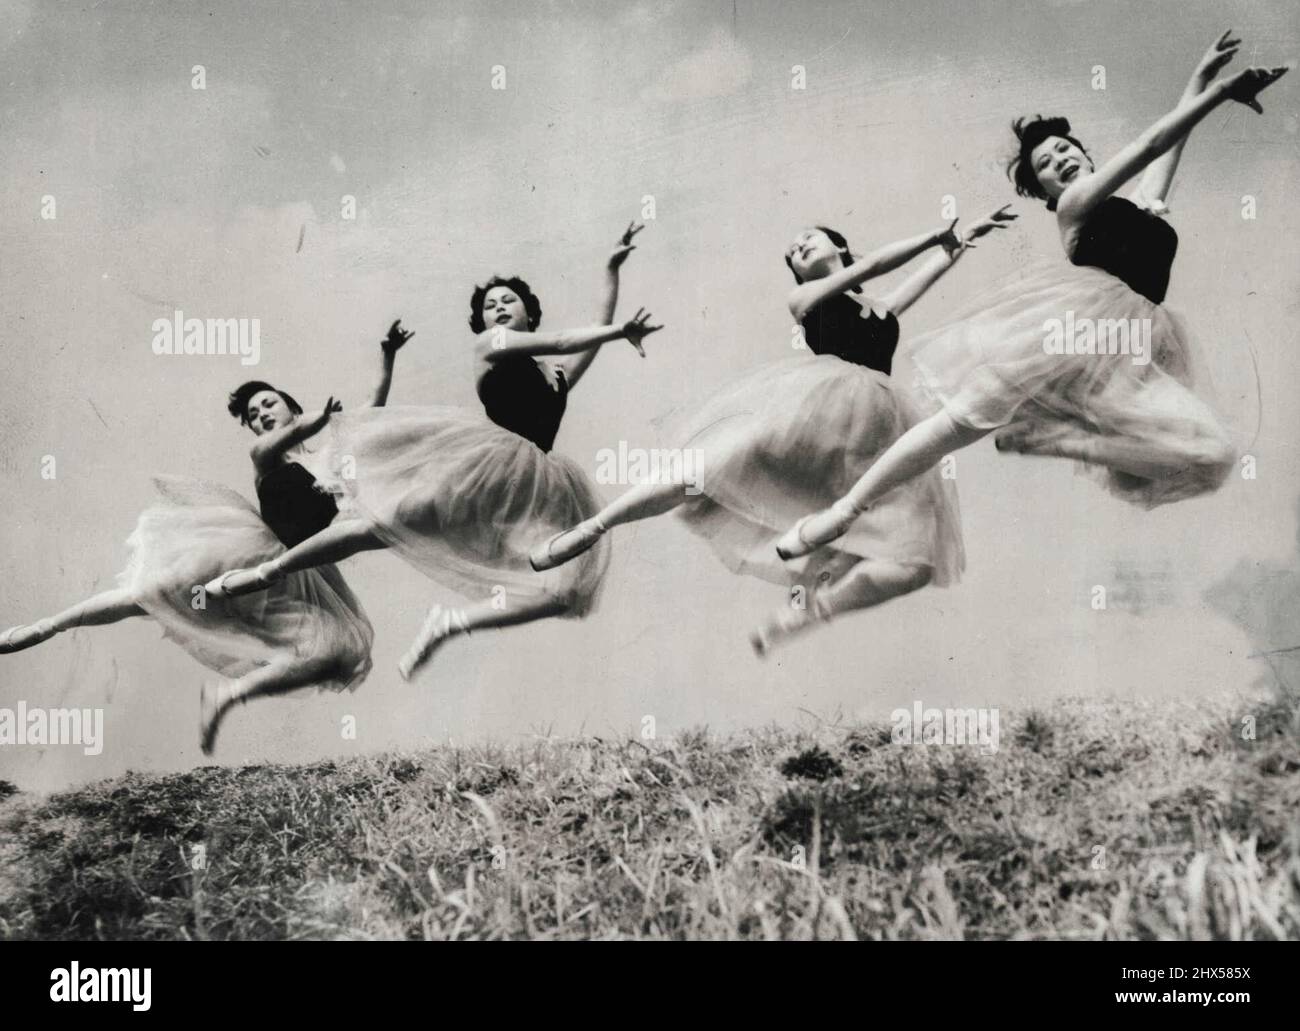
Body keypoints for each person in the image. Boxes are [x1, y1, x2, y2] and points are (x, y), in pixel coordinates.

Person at [776, 37, 1288, 561]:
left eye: (1066, 150)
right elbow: (1151, 144)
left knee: (1213, 453)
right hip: (1067, 330)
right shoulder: (1075, 206)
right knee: (955, 423)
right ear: (1045, 192)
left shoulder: (1140, 209)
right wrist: (1221, 91)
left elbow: (1168, 151)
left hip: (1131, 351)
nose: (1060, 160)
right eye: (1046, 163)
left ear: (1086, 154)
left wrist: (1199, 80)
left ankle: (1059, 441)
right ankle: (840, 515)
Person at [532, 209, 1014, 653]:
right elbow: (870, 269)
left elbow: (913, 279)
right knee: (704, 469)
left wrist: (956, 244)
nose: (796, 247)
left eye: (808, 238)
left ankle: (806, 615)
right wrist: (934, 235)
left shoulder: (878, 308)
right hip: (820, 407)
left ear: (839, 245)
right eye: (791, 253)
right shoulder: (804, 296)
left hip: (876, 431)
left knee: (912, 561)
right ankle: (593, 527)